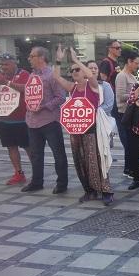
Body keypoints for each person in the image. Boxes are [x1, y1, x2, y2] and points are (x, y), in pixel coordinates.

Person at [52, 46, 113, 204]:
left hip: (91, 130)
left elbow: (91, 74)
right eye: (72, 71)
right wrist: (58, 60)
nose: (75, 72)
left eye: (77, 70)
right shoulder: (72, 88)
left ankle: (105, 190)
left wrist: (76, 60)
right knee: (80, 161)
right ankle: (89, 190)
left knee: (97, 160)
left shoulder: (92, 86)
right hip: (75, 130)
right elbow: (56, 77)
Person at [21, 46, 68, 194]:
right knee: (35, 154)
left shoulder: (52, 75)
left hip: (49, 121)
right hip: (32, 121)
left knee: (58, 153)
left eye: (32, 56)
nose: (29, 59)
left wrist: (44, 106)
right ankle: (36, 182)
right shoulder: (31, 76)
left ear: (41, 58)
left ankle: (61, 183)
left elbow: (61, 97)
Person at [0, 53, 31, 185]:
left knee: (29, 147)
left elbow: (27, 89)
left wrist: (6, 82)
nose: (4, 67)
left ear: (14, 63)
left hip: (22, 119)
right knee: (11, 147)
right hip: (5, 118)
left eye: (6, 64)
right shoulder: (1, 75)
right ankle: (18, 173)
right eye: (2, 64)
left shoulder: (24, 74)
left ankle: (37, 172)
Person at [115, 50, 139, 177]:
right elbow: (120, 96)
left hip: (132, 113)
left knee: (131, 142)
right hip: (124, 113)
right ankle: (130, 169)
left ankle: (129, 168)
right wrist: (136, 94)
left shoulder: (132, 76)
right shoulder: (122, 76)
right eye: (136, 63)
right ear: (129, 62)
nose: (137, 66)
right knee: (128, 142)